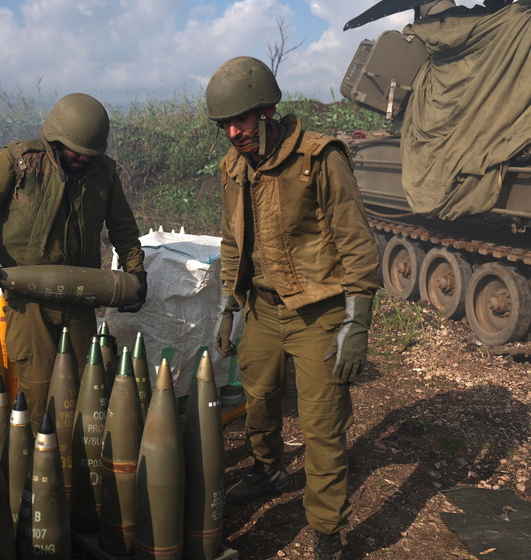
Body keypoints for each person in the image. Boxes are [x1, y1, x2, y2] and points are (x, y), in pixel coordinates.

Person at [207, 57, 380, 560]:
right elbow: (232, 241)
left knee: (323, 424)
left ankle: (327, 530)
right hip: (262, 310)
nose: (233, 132)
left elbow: (356, 242)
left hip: (318, 311)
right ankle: (267, 469)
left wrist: (358, 321)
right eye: (225, 125)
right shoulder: (233, 168)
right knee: (257, 400)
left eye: (241, 120)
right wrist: (226, 306)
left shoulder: (319, 158)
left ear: (267, 111)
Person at [0, 93, 147, 429]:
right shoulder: (20, 161)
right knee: (39, 395)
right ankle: (37, 474)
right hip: (30, 303)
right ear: (55, 141)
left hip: (81, 296)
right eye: (76, 153)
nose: (83, 160)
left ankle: (78, 470)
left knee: (87, 389)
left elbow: (124, 232)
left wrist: (137, 274)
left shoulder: (104, 174)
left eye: (90, 155)